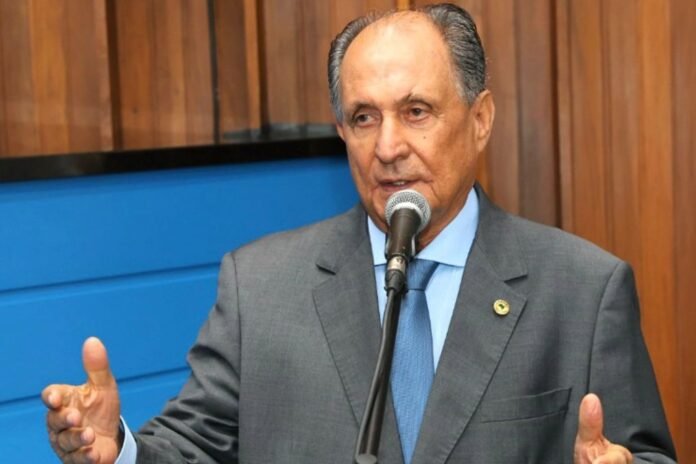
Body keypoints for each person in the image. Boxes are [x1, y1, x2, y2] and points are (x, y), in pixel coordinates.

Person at [43, 3, 676, 463]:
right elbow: (192, 448)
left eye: (416, 111)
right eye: (364, 118)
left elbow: (638, 453)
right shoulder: (259, 288)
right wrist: (117, 449)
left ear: (480, 119)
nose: (388, 147)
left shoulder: (584, 291)